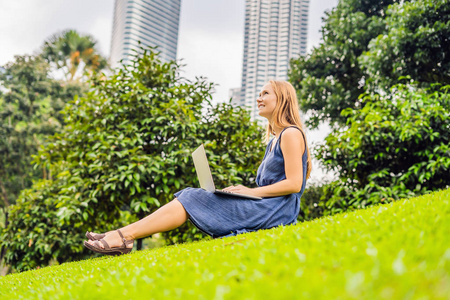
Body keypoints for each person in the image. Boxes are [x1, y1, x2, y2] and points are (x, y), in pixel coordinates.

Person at [84, 80, 312, 255]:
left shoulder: (291, 133)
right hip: (263, 205)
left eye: (265, 94)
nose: (258, 98)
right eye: (259, 94)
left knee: (192, 196)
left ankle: (123, 236)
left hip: (275, 211)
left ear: (281, 99)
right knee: (189, 194)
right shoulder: (274, 140)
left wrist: (250, 192)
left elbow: (294, 184)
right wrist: (244, 190)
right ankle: (122, 234)